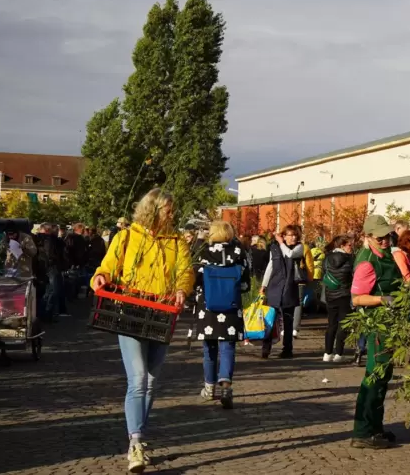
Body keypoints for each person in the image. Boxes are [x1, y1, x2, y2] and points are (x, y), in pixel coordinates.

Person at [91, 188, 194, 473]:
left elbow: (186, 271)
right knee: (137, 379)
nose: (171, 215)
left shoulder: (177, 242)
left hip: (162, 313)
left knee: (151, 380)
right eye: (167, 210)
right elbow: (109, 266)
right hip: (131, 311)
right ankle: (135, 443)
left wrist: (182, 289)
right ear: (153, 209)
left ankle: (140, 435)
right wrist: (100, 276)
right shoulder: (126, 237)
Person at [350, 215, 402, 449]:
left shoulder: (387, 254)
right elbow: (357, 298)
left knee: (383, 375)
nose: (384, 241)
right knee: (375, 375)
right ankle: (362, 433)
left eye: (387, 236)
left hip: (390, 322)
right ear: (367, 237)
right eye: (379, 237)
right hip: (378, 324)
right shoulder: (367, 262)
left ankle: (375, 427)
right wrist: (382, 299)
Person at [193, 220, 249, 409]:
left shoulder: (203, 252)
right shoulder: (239, 252)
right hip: (231, 307)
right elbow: (245, 284)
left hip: (207, 306)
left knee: (209, 348)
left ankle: (209, 387)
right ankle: (226, 385)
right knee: (228, 347)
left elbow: (195, 278)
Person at [260, 225, 304, 359]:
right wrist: (264, 284)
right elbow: (271, 265)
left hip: (289, 286)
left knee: (288, 320)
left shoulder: (299, 247)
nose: (294, 237)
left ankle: (287, 349)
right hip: (275, 285)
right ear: (284, 236)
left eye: (295, 235)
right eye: (290, 235)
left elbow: (289, 254)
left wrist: (280, 242)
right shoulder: (274, 248)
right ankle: (266, 348)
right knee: (271, 319)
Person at [323, 235, 354, 362]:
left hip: (330, 294)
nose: (352, 248)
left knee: (331, 324)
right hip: (344, 294)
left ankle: (327, 353)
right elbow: (351, 275)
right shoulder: (349, 259)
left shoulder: (327, 257)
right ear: (342, 246)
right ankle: (339, 354)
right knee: (343, 325)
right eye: (350, 245)